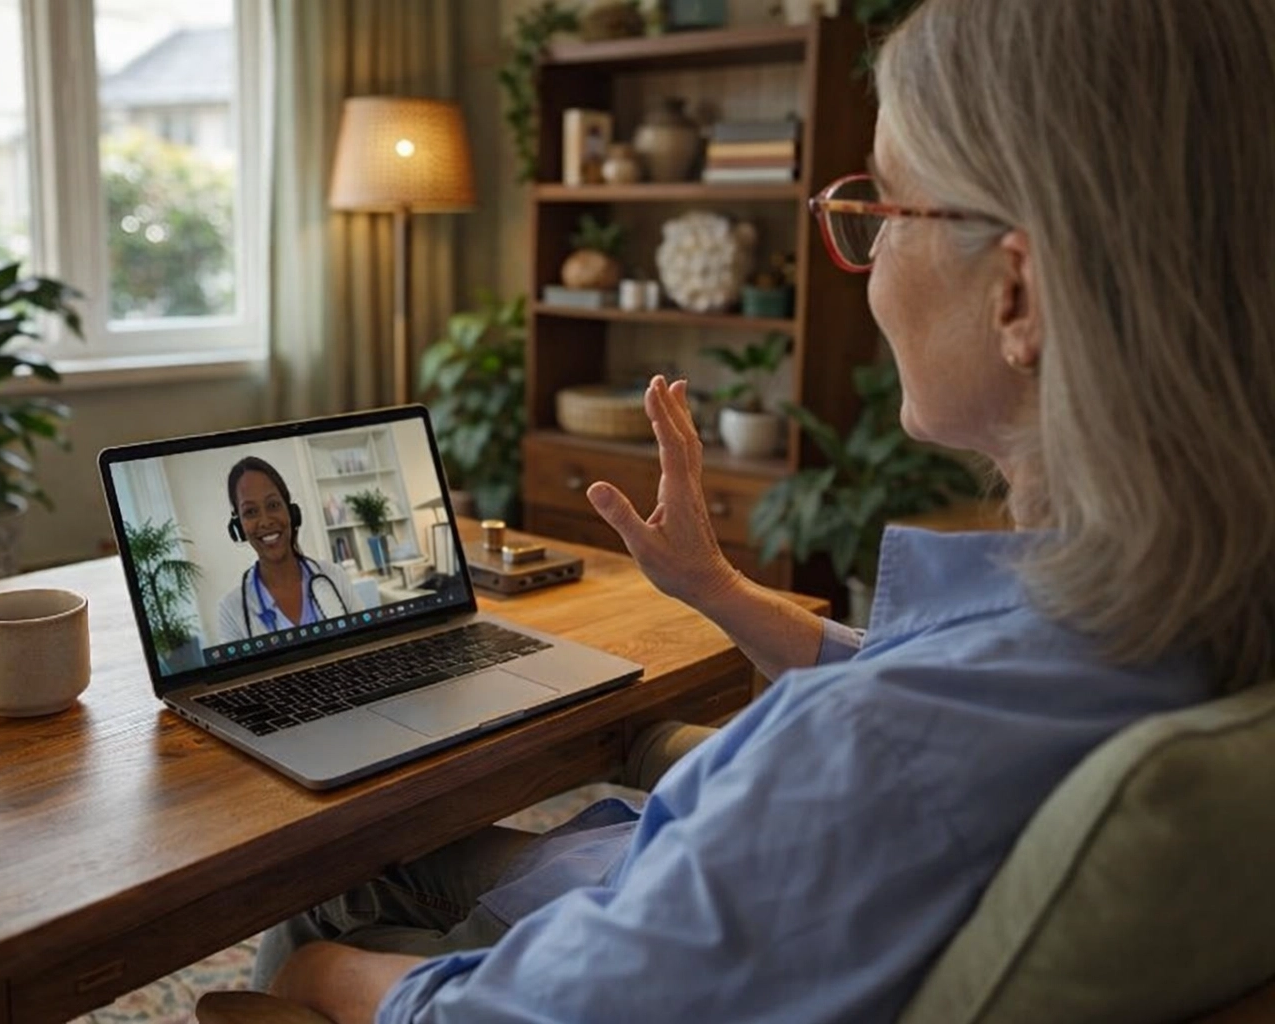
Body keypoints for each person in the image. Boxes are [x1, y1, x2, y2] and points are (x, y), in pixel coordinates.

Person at [215, 1, 1275, 1020]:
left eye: (882, 213)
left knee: (325, 900)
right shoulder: (1194, 604)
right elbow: (952, 683)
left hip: (631, 927)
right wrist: (715, 589)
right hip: (659, 871)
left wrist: (317, 981)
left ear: (1018, 298)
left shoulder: (878, 748)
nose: (863, 266)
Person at [216, 456, 364, 642]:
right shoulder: (232, 611)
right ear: (238, 526)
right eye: (251, 512)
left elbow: (366, 645)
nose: (266, 521)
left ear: (292, 513)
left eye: (273, 505)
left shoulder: (334, 577)